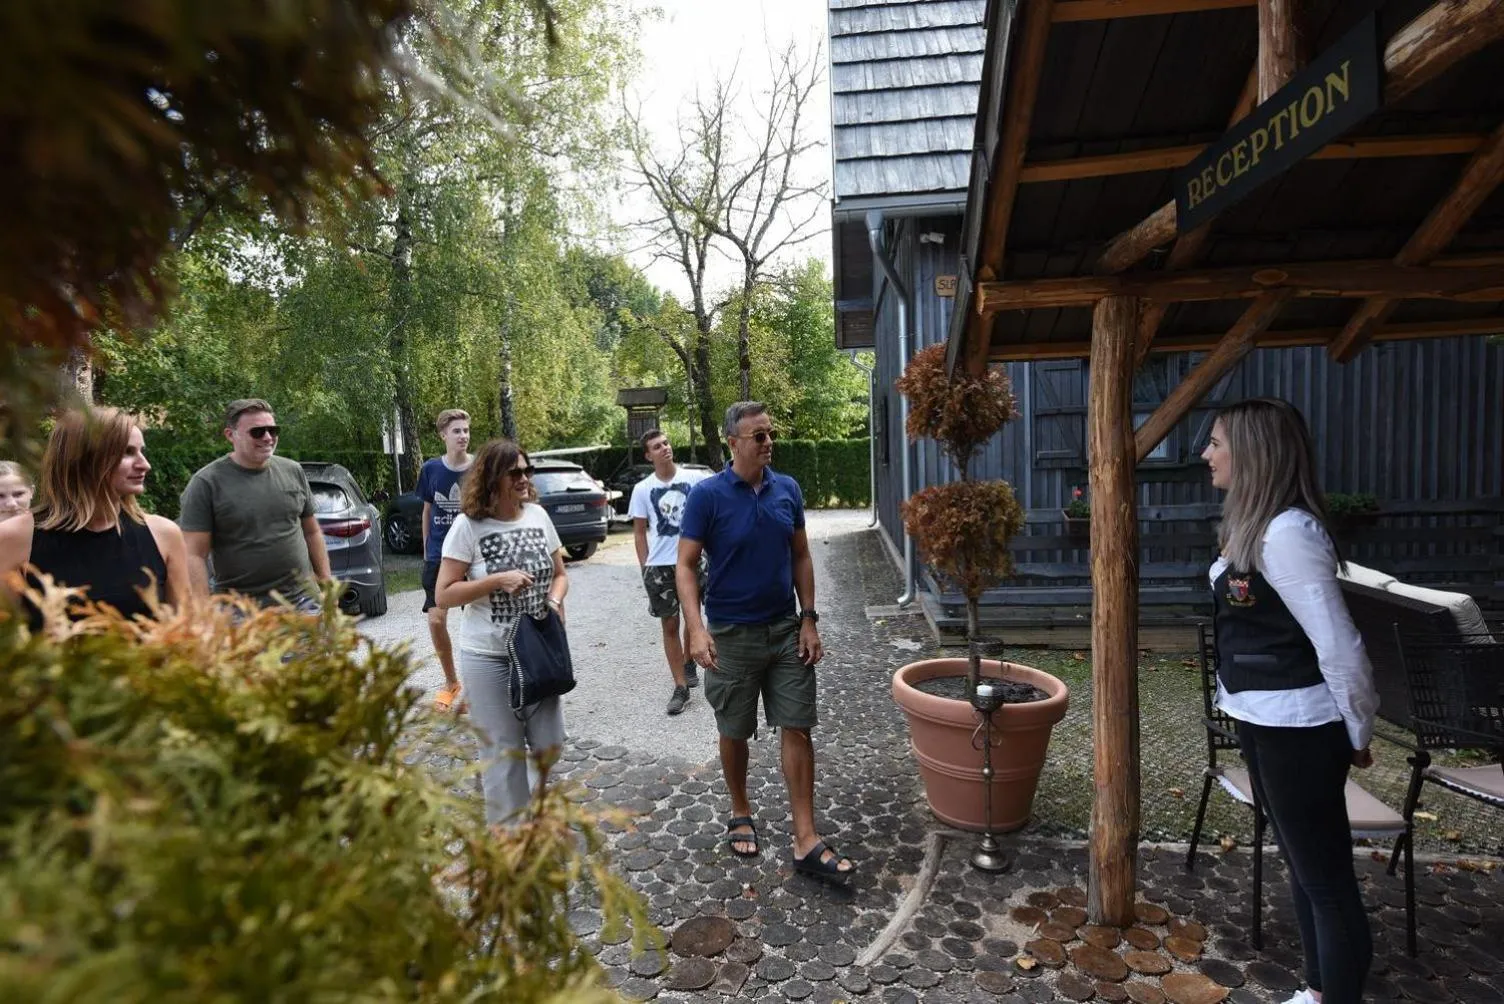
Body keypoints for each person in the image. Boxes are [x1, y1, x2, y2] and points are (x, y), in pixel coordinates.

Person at [1202, 397, 1378, 1004]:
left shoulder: (1289, 534)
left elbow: (1340, 645)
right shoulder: (1257, 529)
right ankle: (1317, 990)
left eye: (1217, 443)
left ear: (1252, 454)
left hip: (1300, 727)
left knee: (1326, 882)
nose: (1207, 455)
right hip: (1263, 719)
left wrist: (1357, 731)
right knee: (1305, 869)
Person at [677, 401, 853, 882]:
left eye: (770, 433)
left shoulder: (787, 489)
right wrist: (696, 628)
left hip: (784, 630)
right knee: (734, 728)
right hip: (731, 635)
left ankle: (805, 838)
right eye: (758, 436)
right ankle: (740, 809)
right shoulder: (707, 496)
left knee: (798, 725)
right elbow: (685, 566)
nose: (768, 442)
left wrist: (809, 619)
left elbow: (801, 555)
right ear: (733, 442)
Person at [435, 439, 569, 826]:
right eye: (515, 473)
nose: (524, 478)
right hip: (488, 655)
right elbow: (444, 594)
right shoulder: (468, 526)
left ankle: (528, 812)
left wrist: (554, 603)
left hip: (538, 649)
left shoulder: (538, 516)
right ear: (492, 477)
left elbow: (560, 575)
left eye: (527, 471)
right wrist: (496, 580)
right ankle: (511, 835)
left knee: (549, 744)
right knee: (501, 752)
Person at [0, 408, 191, 624]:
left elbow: (185, 632)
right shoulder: (14, 537)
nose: (145, 465)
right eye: (127, 452)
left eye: (141, 451)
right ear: (82, 459)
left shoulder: (164, 534)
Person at [179, 399, 332, 609]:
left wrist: (327, 586)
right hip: (242, 609)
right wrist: (204, 612)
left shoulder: (293, 471)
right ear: (230, 435)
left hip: (303, 601)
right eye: (257, 432)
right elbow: (194, 554)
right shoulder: (206, 483)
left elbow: (312, 533)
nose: (268, 437)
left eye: (273, 430)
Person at [629, 428, 711, 715]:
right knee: (669, 624)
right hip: (660, 565)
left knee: (693, 615)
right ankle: (680, 686)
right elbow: (639, 533)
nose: (664, 448)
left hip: (692, 559)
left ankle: (689, 660)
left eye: (665, 443)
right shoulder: (642, 489)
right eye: (656, 446)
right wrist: (645, 568)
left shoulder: (695, 480)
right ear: (648, 455)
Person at [417, 408, 473, 712]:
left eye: (466, 430)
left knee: (479, 622)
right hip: (439, 556)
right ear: (443, 435)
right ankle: (452, 682)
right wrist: (427, 548)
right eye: (456, 431)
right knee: (436, 620)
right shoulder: (430, 469)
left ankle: (479, 689)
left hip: (472, 556)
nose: (463, 436)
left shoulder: (479, 468)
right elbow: (428, 510)